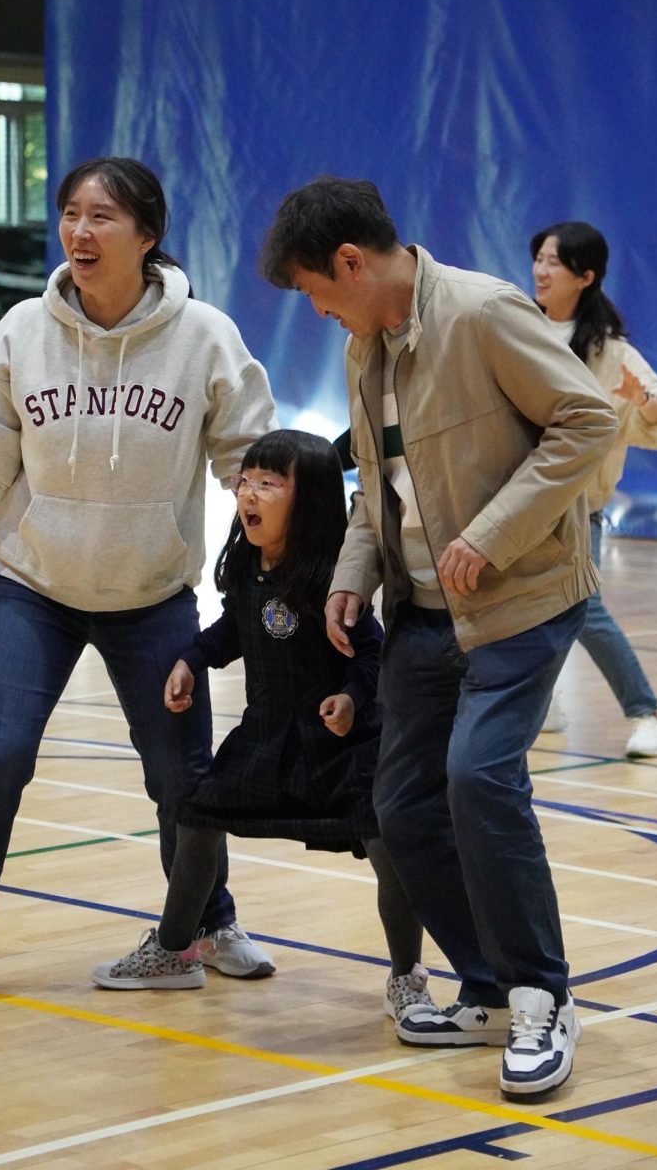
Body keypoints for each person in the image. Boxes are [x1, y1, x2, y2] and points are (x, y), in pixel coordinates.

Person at [0, 156, 277, 1012]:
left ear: (147, 234)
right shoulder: (23, 331)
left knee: (182, 777)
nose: (79, 231)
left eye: (101, 216)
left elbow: (249, 464)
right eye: (69, 214)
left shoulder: (205, 336)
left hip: (153, 597)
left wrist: (288, 573)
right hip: (35, 591)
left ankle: (205, 922)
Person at [259, 177, 619, 1101]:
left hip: (522, 601)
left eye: (316, 290)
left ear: (351, 261)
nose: (317, 310)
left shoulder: (481, 312)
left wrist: (493, 532)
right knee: (403, 810)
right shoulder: (362, 348)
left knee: (479, 777)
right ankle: (491, 988)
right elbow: (380, 492)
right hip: (419, 617)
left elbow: (586, 419)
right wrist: (350, 579)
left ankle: (544, 998)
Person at [93, 430, 433, 1023]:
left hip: (343, 746)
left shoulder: (334, 577)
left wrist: (352, 698)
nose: (249, 493)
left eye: (269, 483)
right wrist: (192, 660)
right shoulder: (248, 564)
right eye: (245, 481)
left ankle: (407, 976)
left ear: (311, 501)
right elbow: (235, 628)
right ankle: (176, 951)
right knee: (197, 816)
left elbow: (373, 654)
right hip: (266, 733)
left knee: (389, 847)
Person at [531, 222, 657, 757]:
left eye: (554, 262)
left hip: (576, 508)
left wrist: (643, 401)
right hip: (516, 502)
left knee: (584, 608)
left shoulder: (610, 351)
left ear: (585, 276)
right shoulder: (517, 327)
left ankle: (648, 713)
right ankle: (541, 704)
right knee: (517, 608)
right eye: (539, 258)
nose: (540, 271)